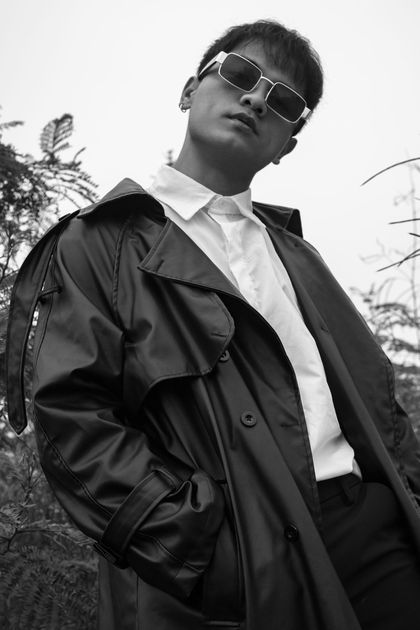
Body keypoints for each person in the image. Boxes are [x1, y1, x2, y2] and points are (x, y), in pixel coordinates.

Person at [6, 18, 420, 630]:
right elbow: (74, 417)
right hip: (230, 562)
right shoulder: (102, 241)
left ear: (285, 147)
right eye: (239, 73)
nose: (256, 98)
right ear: (189, 91)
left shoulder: (298, 255)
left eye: (284, 101)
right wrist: (199, 554)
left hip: (372, 538)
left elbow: (375, 398)